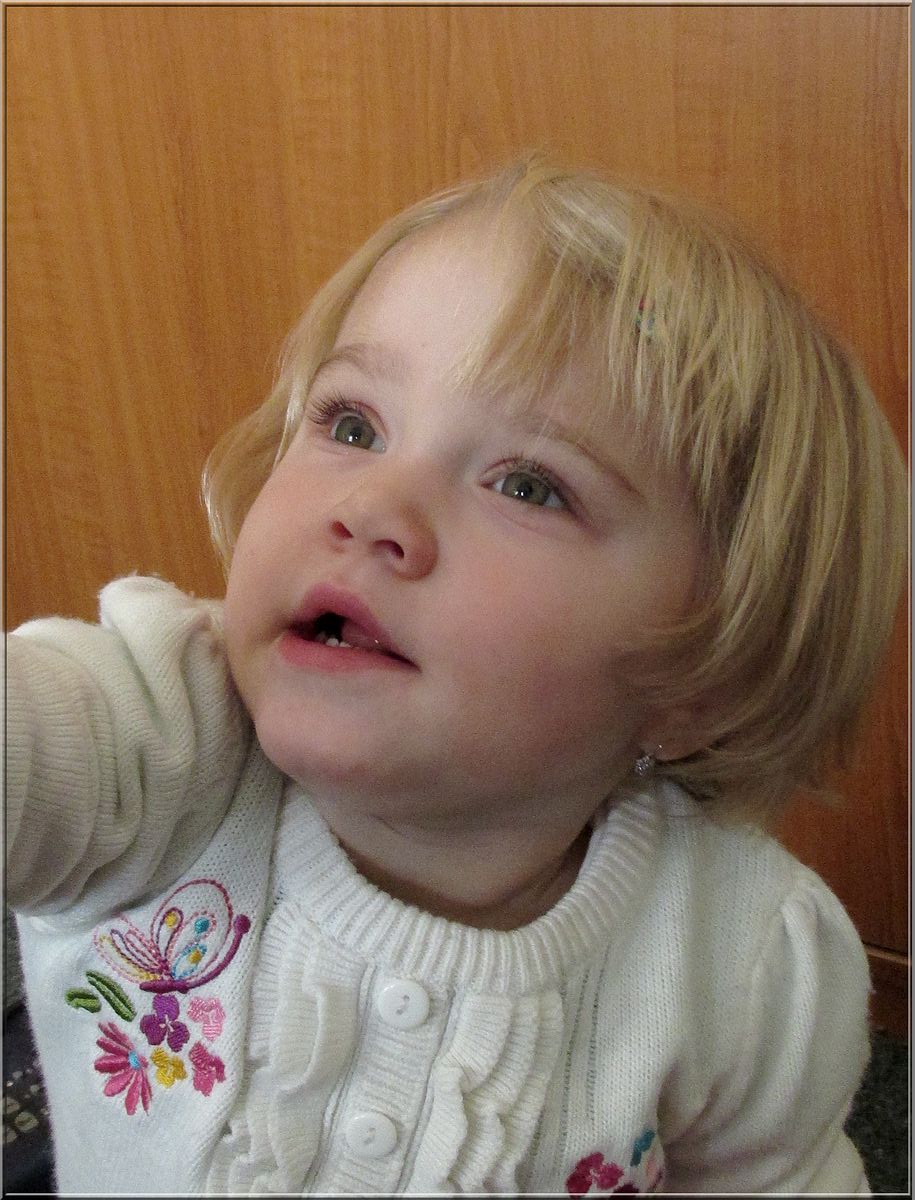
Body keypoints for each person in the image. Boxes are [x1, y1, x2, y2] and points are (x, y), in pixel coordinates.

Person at [6, 156, 906, 1195]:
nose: (373, 507)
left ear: (701, 680)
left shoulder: (742, 953)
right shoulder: (152, 739)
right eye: (352, 425)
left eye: (528, 485)